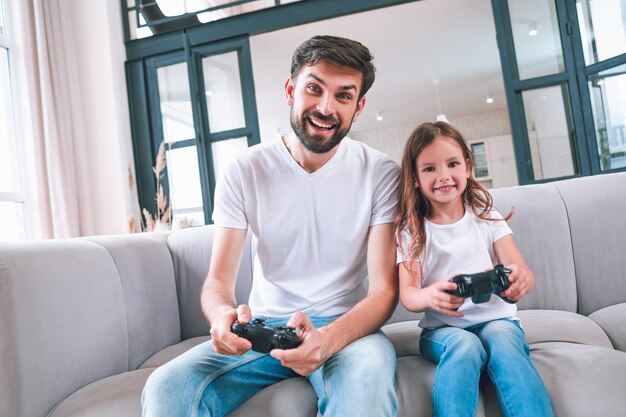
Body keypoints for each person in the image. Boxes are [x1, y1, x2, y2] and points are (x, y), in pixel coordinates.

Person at [141, 35, 400, 417]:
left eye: (343, 96)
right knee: (167, 385)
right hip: (265, 329)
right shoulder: (244, 169)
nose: (326, 108)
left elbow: (383, 292)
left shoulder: (381, 172)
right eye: (314, 88)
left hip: (346, 331)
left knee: (364, 385)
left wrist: (327, 340)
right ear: (290, 90)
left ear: (358, 107)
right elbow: (218, 283)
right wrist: (220, 317)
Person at [394, 121, 554, 417]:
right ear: (414, 178)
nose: (443, 176)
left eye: (452, 164)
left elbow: (519, 267)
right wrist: (431, 296)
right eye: (429, 169)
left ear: (467, 166)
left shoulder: (485, 214)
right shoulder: (411, 230)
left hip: (498, 321)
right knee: (465, 346)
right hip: (443, 330)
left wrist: (520, 279)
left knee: (504, 342)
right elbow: (410, 296)